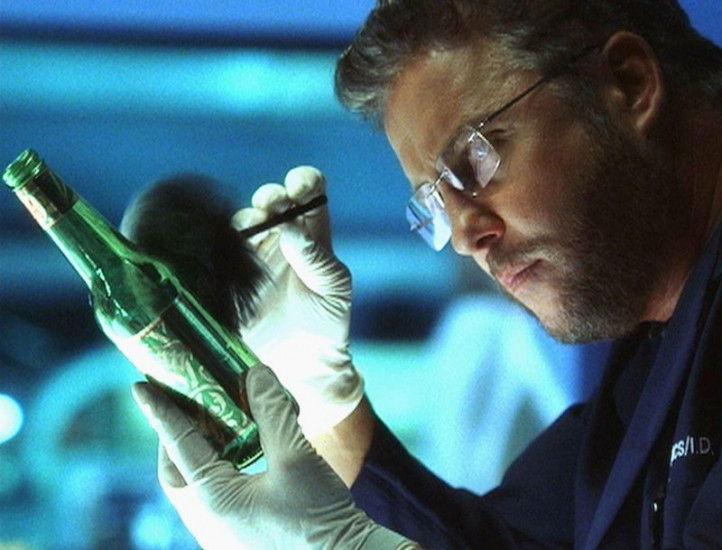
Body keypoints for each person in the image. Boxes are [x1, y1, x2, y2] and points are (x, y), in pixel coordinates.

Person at [132, 0, 722, 548]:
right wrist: (322, 396)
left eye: (478, 158)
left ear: (629, 83)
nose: (464, 237)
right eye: (435, 204)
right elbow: (501, 541)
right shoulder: (644, 375)